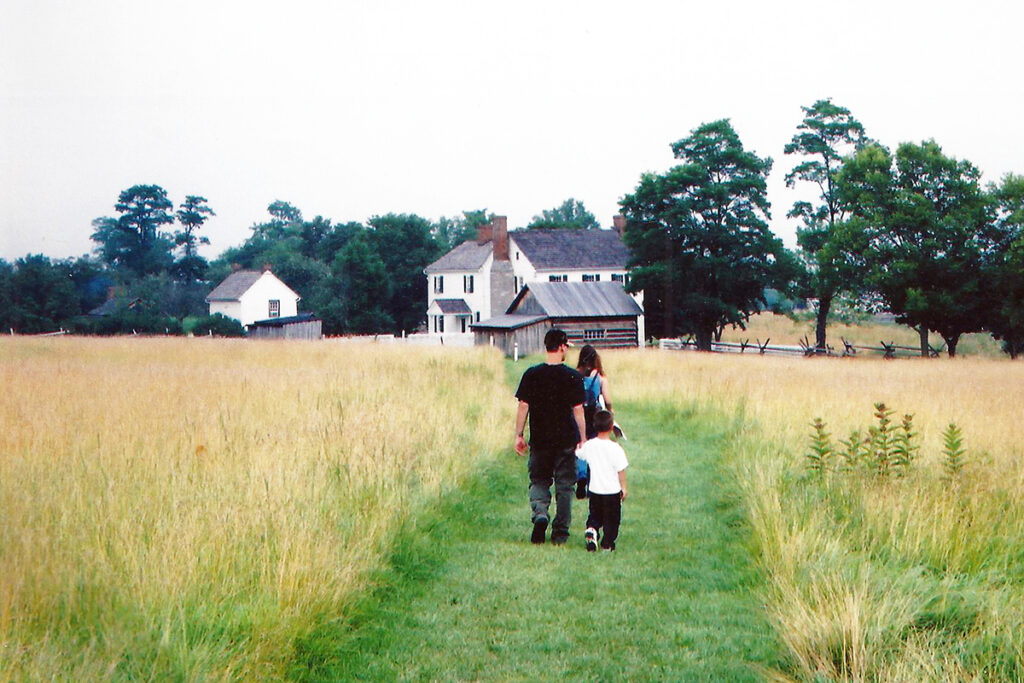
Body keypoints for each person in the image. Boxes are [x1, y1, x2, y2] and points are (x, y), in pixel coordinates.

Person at [514, 328, 587, 545]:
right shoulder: (572, 376)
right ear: (562, 346)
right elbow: (578, 410)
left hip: (540, 440)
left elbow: (523, 406)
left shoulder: (532, 374)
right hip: (565, 440)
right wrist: (582, 437)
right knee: (565, 486)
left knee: (539, 480)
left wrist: (518, 434)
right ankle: (560, 534)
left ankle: (540, 514)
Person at [576, 409, 629, 552]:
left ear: (594, 426)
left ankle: (592, 529)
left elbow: (579, 454)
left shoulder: (590, 445)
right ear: (612, 427)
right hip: (612, 491)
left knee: (595, 515)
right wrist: (623, 487)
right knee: (611, 520)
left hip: (594, 490)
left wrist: (579, 445)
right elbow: (621, 470)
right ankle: (607, 543)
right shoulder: (616, 448)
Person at [574, 345, 614, 499]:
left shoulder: (576, 375)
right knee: (594, 447)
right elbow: (607, 399)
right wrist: (610, 411)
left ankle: (581, 475)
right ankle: (592, 484)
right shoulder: (601, 378)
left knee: (580, 444)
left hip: (578, 414)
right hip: (595, 415)